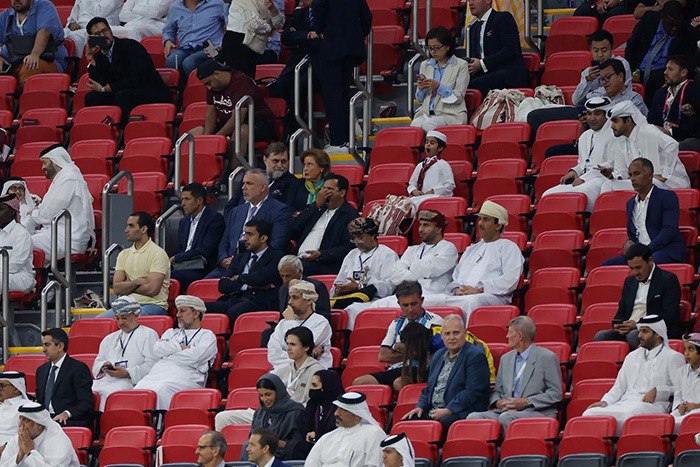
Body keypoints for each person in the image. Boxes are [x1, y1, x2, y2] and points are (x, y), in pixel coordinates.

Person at [420, 200, 524, 324]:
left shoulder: (509, 248)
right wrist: (456, 289)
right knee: (426, 300)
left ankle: (465, 334)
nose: (480, 223)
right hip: (461, 295)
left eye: (486, 219)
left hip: (492, 296)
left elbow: (510, 280)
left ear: (498, 225)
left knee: (471, 302)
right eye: (480, 219)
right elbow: (456, 277)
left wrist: (479, 289)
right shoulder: (471, 249)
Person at [583, 314, 685, 435]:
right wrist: (606, 401)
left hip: (652, 405)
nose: (639, 335)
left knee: (632, 415)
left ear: (657, 334)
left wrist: (659, 390)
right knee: (590, 414)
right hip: (625, 402)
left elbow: (681, 388)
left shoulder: (673, 357)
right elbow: (619, 386)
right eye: (640, 331)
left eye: (644, 331)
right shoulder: (631, 356)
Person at [467, 316, 563, 432]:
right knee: (473, 417)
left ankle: (511, 444)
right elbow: (498, 391)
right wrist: (498, 402)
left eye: (510, 332)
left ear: (519, 336)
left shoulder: (547, 357)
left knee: (506, 418)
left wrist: (526, 402)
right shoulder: (505, 359)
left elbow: (555, 393)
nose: (507, 336)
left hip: (535, 411)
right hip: (506, 411)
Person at [402, 314, 490, 432]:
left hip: (460, 412)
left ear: (464, 333)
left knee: (445, 422)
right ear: (442, 336)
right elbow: (428, 388)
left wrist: (448, 410)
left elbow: (473, 391)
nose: (451, 337)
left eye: (456, 333)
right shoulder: (438, 355)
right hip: (435, 411)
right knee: (407, 422)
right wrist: (420, 407)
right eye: (447, 334)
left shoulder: (475, 356)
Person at [352, 281, 443, 390]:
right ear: (399, 304)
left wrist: (399, 348)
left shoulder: (435, 322)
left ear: (422, 300)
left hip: (420, 370)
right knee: (359, 382)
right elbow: (383, 356)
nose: (410, 309)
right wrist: (412, 351)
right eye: (405, 305)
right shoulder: (396, 323)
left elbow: (431, 356)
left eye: (414, 304)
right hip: (396, 369)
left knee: (399, 383)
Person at [528, 59, 647, 138]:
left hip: (611, 136)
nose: (604, 82)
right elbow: (576, 102)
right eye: (602, 79)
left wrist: (600, 120)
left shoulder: (633, 99)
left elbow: (634, 127)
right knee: (535, 116)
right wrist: (588, 81)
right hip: (586, 120)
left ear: (620, 76)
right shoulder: (600, 93)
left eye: (608, 77)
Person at [134, 295, 217, 409]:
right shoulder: (171, 332)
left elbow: (196, 358)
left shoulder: (207, 335)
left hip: (187, 376)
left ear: (196, 313)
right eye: (178, 311)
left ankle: (162, 420)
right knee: (138, 390)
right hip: (157, 373)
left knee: (162, 389)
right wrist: (183, 348)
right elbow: (157, 349)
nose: (178, 315)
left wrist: (169, 354)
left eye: (182, 311)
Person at [84, 17, 170, 124]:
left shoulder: (130, 46)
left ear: (110, 30)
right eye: (97, 34)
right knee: (91, 98)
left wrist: (107, 88)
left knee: (123, 96)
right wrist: (89, 56)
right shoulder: (98, 56)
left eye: (105, 30)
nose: (102, 35)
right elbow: (97, 83)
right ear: (92, 39)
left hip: (150, 90)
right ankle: (100, 129)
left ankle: (123, 129)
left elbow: (138, 78)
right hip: (121, 92)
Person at [312, 0, 372, 153]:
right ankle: (346, 138)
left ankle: (338, 141)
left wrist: (321, 31)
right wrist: (356, 35)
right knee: (343, 94)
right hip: (351, 49)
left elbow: (318, 14)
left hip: (331, 47)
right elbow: (367, 17)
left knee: (333, 96)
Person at [595, 243, 682, 348]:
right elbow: (621, 311)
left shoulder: (668, 280)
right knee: (601, 336)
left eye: (638, 267)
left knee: (634, 335)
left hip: (654, 331)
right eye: (631, 268)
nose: (635, 272)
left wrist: (638, 325)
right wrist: (619, 324)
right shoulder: (629, 281)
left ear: (650, 261)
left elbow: (669, 315)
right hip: (630, 330)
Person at [602, 158, 686, 266]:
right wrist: (631, 245)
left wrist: (646, 250)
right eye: (630, 175)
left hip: (665, 250)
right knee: (607, 265)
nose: (632, 179)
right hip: (641, 254)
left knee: (649, 263)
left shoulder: (667, 197)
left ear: (650, 175)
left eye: (636, 174)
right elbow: (632, 234)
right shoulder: (630, 203)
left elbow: (669, 230)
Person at [194, 60, 275, 170]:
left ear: (217, 74)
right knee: (196, 133)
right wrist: (207, 138)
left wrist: (216, 139)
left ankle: (233, 172)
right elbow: (210, 112)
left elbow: (237, 119)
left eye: (208, 83)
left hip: (257, 123)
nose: (208, 87)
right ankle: (199, 172)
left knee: (241, 131)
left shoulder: (242, 82)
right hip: (227, 123)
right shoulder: (214, 85)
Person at [22, 145, 95, 266]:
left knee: (18, 244)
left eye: (45, 163)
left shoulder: (69, 179)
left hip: (67, 239)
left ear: (55, 162)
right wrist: (37, 211)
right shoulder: (62, 178)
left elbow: (47, 215)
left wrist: (34, 213)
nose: (42, 167)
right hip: (56, 234)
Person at [540, 97, 615, 212]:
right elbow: (582, 163)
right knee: (547, 195)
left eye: (597, 114)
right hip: (581, 179)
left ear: (607, 115)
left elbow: (610, 165)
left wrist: (584, 178)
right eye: (589, 114)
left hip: (602, 180)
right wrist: (574, 172)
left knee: (580, 195)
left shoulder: (614, 135)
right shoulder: (585, 136)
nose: (592, 118)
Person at [371, 211, 458, 308]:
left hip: (434, 296)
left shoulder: (448, 248)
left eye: (426, 225)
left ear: (438, 229)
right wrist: (422, 276)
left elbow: (430, 270)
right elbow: (396, 277)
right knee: (376, 306)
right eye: (420, 225)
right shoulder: (412, 249)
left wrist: (410, 268)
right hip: (408, 296)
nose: (420, 229)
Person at [206, 220, 284, 326]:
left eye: (250, 234)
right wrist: (249, 285)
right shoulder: (239, 257)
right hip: (233, 299)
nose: (244, 239)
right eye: (244, 234)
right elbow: (222, 285)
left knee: (234, 312)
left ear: (263, 238)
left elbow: (262, 278)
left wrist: (238, 278)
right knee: (198, 309)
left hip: (258, 302)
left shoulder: (277, 257)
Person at [213, 170, 290, 278]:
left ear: (262, 187)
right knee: (199, 286)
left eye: (249, 183)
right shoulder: (236, 211)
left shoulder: (280, 211)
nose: (243, 187)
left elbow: (276, 245)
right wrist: (224, 259)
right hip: (227, 267)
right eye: (243, 183)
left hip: (256, 267)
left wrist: (242, 261)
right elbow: (225, 242)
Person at [603, 102, 690, 191]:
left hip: (671, 182)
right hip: (646, 181)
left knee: (642, 183)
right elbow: (622, 174)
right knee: (608, 185)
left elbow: (672, 144)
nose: (612, 126)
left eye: (615, 121)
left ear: (628, 121)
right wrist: (610, 175)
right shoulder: (621, 141)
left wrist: (665, 174)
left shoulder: (648, 131)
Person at [92, 296, 159, 411]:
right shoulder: (109, 338)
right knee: (86, 390)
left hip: (130, 381)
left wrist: (128, 373)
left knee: (109, 393)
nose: (120, 322)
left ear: (136, 315)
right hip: (105, 379)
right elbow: (97, 362)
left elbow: (153, 365)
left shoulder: (149, 334)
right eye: (117, 318)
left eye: (124, 318)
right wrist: (103, 366)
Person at [331, 217, 398, 328]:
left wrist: (359, 287)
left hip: (375, 301)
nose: (357, 242)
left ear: (372, 235)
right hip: (348, 298)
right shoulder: (351, 255)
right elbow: (338, 282)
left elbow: (389, 286)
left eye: (360, 237)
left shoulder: (387, 254)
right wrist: (339, 289)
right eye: (354, 238)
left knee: (351, 310)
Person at [101, 212, 170, 317]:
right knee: (97, 322)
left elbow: (152, 290)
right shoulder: (123, 254)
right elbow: (117, 288)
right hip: (125, 305)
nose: (126, 230)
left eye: (131, 226)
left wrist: (127, 285)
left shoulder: (158, 253)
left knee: (127, 318)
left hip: (153, 305)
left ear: (143, 229)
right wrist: (137, 282)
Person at [626, 1, 696, 104]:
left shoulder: (687, 33)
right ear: (662, 17)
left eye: (677, 25)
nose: (674, 29)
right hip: (638, 70)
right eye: (671, 25)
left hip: (662, 76)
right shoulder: (649, 20)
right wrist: (631, 71)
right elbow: (631, 46)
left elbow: (684, 62)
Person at [292, 174, 359, 276]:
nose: (324, 192)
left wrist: (321, 254)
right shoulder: (318, 208)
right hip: (298, 258)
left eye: (329, 189)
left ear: (342, 193)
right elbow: (295, 227)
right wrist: (315, 205)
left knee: (290, 270)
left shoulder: (351, 215)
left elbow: (348, 247)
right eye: (323, 188)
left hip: (323, 264)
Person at [305, 391, 385, 467]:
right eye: (337, 408)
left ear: (357, 414)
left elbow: (374, 464)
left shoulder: (374, 434)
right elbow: (311, 463)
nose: (336, 413)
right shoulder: (327, 438)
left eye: (343, 410)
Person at [411, 26, 469, 132]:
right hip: (426, 113)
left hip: (450, 115)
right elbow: (420, 99)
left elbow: (459, 97)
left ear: (447, 46)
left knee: (429, 124)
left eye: (436, 47)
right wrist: (421, 89)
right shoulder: (425, 65)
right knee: (414, 126)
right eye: (430, 48)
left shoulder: (461, 65)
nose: (433, 52)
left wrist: (438, 87)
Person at [466, 0, 529, 96]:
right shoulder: (473, 27)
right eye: (469, 0)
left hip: (507, 74)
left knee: (471, 86)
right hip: (487, 74)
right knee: (458, 83)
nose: (470, 3)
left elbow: (510, 50)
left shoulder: (503, 18)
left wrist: (482, 64)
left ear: (488, 1)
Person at [236, 374, 304, 461]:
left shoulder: (296, 412)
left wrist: (273, 443)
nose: (264, 399)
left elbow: (298, 446)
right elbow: (252, 437)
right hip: (260, 452)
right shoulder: (260, 412)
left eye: (268, 395)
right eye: (261, 395)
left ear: (278, 392)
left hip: (284, 455)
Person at [171, 182, 225, 291]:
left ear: (199, 200)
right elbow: (181, 248)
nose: (183, 203)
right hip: (182, 265)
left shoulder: (214, 219)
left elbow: (206, 250)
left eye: (187, 199)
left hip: (201, 267)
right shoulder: (184, 222)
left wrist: (176, 258)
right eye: (182, 199)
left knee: (169, 276)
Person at [268, 280, 333, 370]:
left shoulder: (321, 322)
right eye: (290, 297)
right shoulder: (283, 323)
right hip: (283, 369)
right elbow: (273, 354)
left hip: (311, 371)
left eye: (295, 297)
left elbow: (299, 346)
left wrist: (291, 322)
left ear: (309, 300)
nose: (290, 302)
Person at [35, 328, 94, 427]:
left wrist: (66, 413)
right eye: (43, 345)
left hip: (68, 421)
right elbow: (40, 400)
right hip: (45, 419)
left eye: (47, 345)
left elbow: (86, 402)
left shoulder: (78, 368)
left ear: (60, 346)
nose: (43, 349)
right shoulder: (41, 370)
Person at [0, 0, 68, 85]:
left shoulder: (45, 6)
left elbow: (44, 31)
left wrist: (34, 54)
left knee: (31, 66)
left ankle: (25, 92)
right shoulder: (5, 16)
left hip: (47, 60)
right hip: (13, 63)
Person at [269, 0, 320, 108]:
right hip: (297, 60)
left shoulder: (329, 14)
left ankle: (297, 117)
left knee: (300, 85)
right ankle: (284, 115)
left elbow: (323, 38)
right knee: (280, 84)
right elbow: (286, 37)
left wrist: (298, 36)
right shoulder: (299, 13)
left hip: (320, 61)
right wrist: (308, 35)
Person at [162, 0, 226, 82]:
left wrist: (221, 45)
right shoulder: (175, 8)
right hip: (185, 48)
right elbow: (168, 31)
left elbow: (230, 28)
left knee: (190, 62)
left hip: (211, 48)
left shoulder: (218, 4)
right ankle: (180, 89)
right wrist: (168, 40)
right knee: (172, 60)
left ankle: (200, 88)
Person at [0, 402, 80, 466]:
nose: (20, 424)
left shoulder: (58, 442)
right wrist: (19, 455)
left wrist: (30, 452)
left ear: (40, 425)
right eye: (20, 419)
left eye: (26, 420)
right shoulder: (16, 439)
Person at [220, 0, 285, 78]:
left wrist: (272, 8)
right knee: (239, 80)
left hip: (259, 46)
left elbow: (279, 24)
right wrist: (271, 27)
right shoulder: (239, 2)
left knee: (248, 79)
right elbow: (254, 24)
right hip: (236, 41)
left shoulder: (271, 1)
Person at [648, 55, 700, 151]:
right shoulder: (660, 93)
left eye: (670, 69)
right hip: (659, 138)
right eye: (666, 68)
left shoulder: (695, 90)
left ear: (683, 72)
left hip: (683, 139)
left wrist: (671, 132)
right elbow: (651, 120)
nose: (665, 72)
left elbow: (695, 125)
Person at [571, 30, 633, 107]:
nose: (600, 55)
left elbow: (619, 91)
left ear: (612, 48)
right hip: (592, 110)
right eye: (596, 51)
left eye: (604, 50)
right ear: (590, 49)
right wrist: (588, 80)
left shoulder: (621, 64)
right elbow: (576, 101)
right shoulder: (588, 72)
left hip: (618, 106)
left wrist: (590, 95)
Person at [297, 369, 345, 458]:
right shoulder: (312, 404)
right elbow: (305, 427)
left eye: (315, 385)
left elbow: (340, 434)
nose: (311, 389)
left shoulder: (340, 408)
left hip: (335, 450)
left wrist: (318, 437)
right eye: (310, 385)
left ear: (327, 386)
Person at [272, 327, 325, 405]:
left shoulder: (317, 371)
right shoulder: (282, 369)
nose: (288, 348)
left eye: (293, 344)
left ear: (306, 347)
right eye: (287, 344)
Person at [406, 132, 456, 210]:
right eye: (426, 142)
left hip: (438, 197)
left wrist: (434, 191)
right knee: (405, 203)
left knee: (416, 204)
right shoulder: (420, 165)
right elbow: (412, 183)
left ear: (440, 148)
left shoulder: (443, 164)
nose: (428, 145)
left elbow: (450, 184)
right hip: (422, 197)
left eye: (432, 143)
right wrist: (414, 190)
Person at [277, 255, 331, 322]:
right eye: (282, 276)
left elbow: (324, 315)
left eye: (288, 276)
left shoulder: (317, 287)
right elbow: (282, 316)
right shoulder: (283, 289)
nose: (284, 280)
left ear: (299, 271)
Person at [0, 195, 35, 294]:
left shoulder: (22, 234)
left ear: (12, 211)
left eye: (1, 209)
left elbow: (15, 265)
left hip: (21, 276)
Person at [671, 333, 700, 433]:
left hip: (697, 411)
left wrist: (696, 406)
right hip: (684, 411)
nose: (686, 354)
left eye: (691, 349)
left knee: (689, 420)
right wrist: (679, 405)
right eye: (685, 349)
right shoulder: (681, 371)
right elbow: (678, 393)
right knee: (670, 420)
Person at [111, 0, 177, 41]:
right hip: (133, 25)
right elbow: (122, 15)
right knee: (110, 31)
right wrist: (143, 16)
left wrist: (135, 9)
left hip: (158, 26)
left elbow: (156, 13)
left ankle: (137, 58)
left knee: (133, 31)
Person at [0, 372, 30, 445]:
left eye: (1, 386)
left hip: (11, 448)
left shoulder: (27, 407)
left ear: (16, 389)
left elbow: (27, 436)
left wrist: (5, 447)